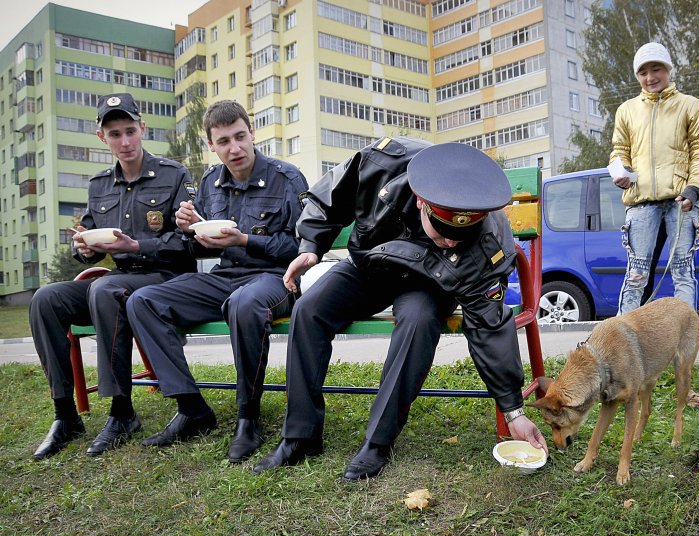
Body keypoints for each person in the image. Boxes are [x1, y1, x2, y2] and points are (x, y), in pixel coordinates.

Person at [253, 138, 549, 478]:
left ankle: (378, 442)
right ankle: (300, 436)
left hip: (430, 285)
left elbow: (489, 326)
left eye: (460, 235)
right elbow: (328, 198)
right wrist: (311, 245)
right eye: (442, 229)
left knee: (418, 320)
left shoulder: (486, 243)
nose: (451, 241)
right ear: (422, 201)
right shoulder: (381, 164)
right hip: (373, 265)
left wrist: (513, 412)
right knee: (309, 309)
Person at [127, 100, 308, 461]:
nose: (235, 148)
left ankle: (248, 417)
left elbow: (301, 246)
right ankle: (192, 409)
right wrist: (189, 230)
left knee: (244, 304)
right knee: (142, 301)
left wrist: (245, 239)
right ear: (212, 145)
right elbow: (199, 248)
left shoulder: (287, 178)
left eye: (240, 137)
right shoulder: (210, 181)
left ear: (252, 132)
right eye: (224, 141)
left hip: (275, 278)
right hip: (225, 277)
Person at [29, 92, 196, 460]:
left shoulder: (173, 174)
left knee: (105, 288)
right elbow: (87, 236)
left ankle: (122, 413)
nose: (124, 141)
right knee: (46, 298)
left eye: (130, 131)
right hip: (117, 281)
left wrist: (138, 246)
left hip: (164, 279)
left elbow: (189, 242)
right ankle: (65, 414)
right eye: (115, 134)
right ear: (102, 137)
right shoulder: (99, 184)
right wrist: (85, 249)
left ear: (142, 129)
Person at [610, 41, 699, 314]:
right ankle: (623, 341)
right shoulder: (627, 110)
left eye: (656, 69)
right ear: (637, 76)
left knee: (683, 273)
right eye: (643, 72)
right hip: (641, 202)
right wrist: (621, 174)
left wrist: (694, 189)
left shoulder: (690, 105)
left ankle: (684, 341)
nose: (650, 77)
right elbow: (619, 152)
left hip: (681, 201)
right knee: (636, 274)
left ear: (668, 70)